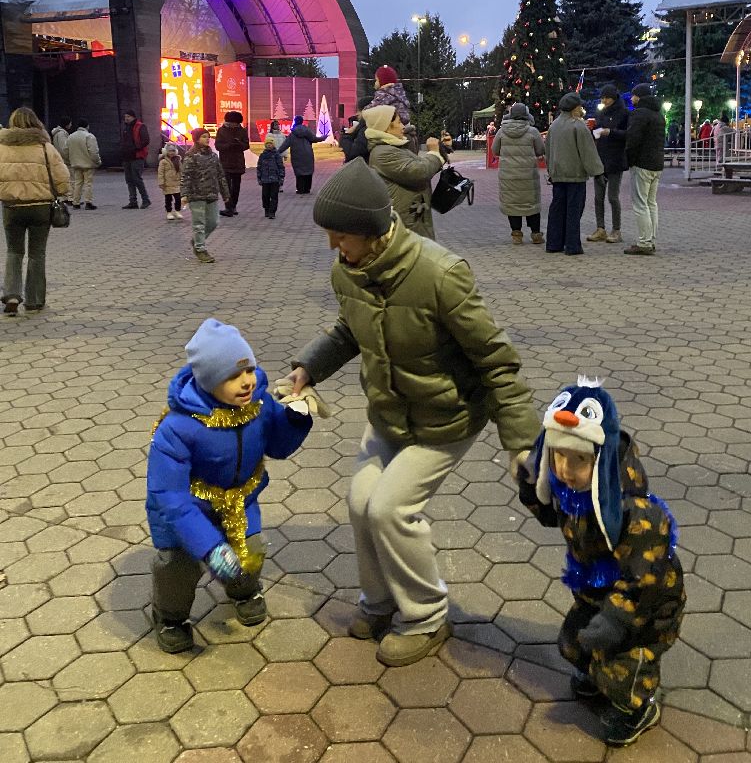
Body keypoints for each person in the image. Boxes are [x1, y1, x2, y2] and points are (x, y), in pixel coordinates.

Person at [286, 159, 541, 666]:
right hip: (389, 412)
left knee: (390, 509)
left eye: (340, 236)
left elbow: (495, 358)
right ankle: (379, 603)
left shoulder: (441, 273)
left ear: (374, 232)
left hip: (445, 418)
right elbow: (346, 332)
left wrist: (521, 440)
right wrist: (308, 368)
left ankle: (426, 617)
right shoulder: (349, 270)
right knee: (361, 503)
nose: (333, 247)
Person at [518, 378, 684, 748]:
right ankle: (597, 674)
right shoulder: (573, 490)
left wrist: (615, 618)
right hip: (595, 591)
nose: (564, 469)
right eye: (557, 455)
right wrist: (530, 487)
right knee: (573, 643)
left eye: (579, 459)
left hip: (644, 606)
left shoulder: (634, 510)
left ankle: (639, 707)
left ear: (601, 457)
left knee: (625, 664)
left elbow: (643, 578)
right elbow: (550, 514)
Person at [146, 318, 313, 652]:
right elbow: (168, 494)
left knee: (251, 549)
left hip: (239, 501)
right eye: (232, 376)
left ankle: (243, 590)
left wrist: (295, 419)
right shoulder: (178, 427)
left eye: (248, 370)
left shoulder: (259, 407)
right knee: (177, 567)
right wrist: (209, 547)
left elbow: (278, 447)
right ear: (209, 381)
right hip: (185, 510)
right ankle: (170, 617)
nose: (246, 382)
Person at [0, 106, 70, 315]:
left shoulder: (2, 146)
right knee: (37, 254)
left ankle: (12, 296)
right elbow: (62, 176)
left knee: (14, 251)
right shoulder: (44, 146)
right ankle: (35, 300)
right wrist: (62, 193)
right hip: (40, 207)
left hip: (12, 207)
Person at [363, 105, 443, 239]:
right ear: (386, 127)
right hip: (406, 220)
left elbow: (421, 166)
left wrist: (442, 150)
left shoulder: (393, 147)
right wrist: (434, 153)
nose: (403, 127)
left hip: (412, 216)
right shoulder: (383, 153)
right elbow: (420, 171)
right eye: (399, 122)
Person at [544, 93, 604, 256]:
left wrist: (551, 170)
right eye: (579, 107)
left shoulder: (554, 126)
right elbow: (588, 153)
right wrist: (597, 172)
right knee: (574, 210)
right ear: (574, 108)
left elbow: (547, 151)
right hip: (576, 176)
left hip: (558, 175)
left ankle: (554, 243)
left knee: (557, 209)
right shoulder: (578, 126)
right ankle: (572, 245)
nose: (581, 109)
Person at [492, 102, 545, 245]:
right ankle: (536, 234)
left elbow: (495, 150)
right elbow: (540, 150)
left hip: (508, 175)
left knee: (512, 204)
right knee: (531, 204)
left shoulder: (502, 131)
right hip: (528, 174)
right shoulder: (533, 131)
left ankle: (516, 235)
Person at [624, 85, 665, 256]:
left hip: (642, 164)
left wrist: (630, 160)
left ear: (638, 97)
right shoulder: (658, 115)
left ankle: (644, 242)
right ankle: (651, 239)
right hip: (657, 164)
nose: (632, 99)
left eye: (633, 96)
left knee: (640, 204)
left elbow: (632, 139)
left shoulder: (639, 114)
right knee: (651, 203)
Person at [180, 129, 231, 263]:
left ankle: (197, 241)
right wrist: (184, 194)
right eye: (203, 137)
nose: (207, 139)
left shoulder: (213, 156)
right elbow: (186, 176)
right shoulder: (191, 156)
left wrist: (225, 193)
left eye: (208, 137)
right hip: (196, 195)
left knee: (213, 222)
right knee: (199, 224)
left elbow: (220, 175)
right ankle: (200, 249)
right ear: (196, 139)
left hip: (211, 194)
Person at [587, 85, 628, 245]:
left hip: (616, 160)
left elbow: (627, 134)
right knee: (598, 197)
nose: (604, 101)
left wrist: (611, 132)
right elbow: (596, 130)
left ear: (614, 98)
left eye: (607, 98)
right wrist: (593, 131)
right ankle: (600, 229)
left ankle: (616, 230)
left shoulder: (624, 114)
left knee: (612, 197)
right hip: (601, 159)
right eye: (602, 98)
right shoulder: (600, 112)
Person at [371, 66, 418, 150]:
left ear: (382, 81)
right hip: (405, 134)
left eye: (376, 80)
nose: (375, 83)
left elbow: (369, 112)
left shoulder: (383, 96)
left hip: (393, 137)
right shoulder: (399, 94)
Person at [279, 115, 326, 194]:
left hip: (297, 155)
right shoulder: (307, 131)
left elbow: (285, 145)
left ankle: (300, 189)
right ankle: (307, 189)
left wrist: (276, 152)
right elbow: (314, 139)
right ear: (302, 121)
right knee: (308, 171)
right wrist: (323, 138)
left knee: (299, 172)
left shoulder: (293, 134)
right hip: (308, 154)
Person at [215, 111, 250, 217]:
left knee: (236, 186)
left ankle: (233, 206)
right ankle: (228, 207)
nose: (234, 125)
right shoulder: (221, 130)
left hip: (238, 162)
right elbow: (218, 146)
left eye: (236, 123)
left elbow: (246, 145)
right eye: (232, 123)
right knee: (226, 186)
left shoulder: (242, 130)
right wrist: (228, 145)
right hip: (225, 162)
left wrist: (239, 144)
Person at [66, 118, 102, 210]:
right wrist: (98, 162)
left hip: (76, 164)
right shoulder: (89, 136)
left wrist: (71, 160)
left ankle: (76, 202)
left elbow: (66, 150)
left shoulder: (71, 136)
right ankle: (88, 202)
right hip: (88, 164)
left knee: (78, 183)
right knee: (88, 183)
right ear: (87, 126)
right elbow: (94, 152)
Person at [121, 109, 151, 209]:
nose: (126, 119)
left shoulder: (140, 126)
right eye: (125, 117)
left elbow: (146, 140)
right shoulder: (126, 128)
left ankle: (145, 199)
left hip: (137, 156)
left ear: (133, 117)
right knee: (129, 180)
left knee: (137, 179)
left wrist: (136, 148)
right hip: (127, 157)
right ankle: (133, 201)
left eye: (128, 117)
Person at [256, 135, 285, 218]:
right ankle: (266, 209)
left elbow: (281, 167)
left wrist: (281, 178)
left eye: (271, 144)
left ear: (273, 145)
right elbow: (259, 167)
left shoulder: (276, 155)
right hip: (265, 180)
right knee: (265, 196)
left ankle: (272, 212)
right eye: (267, 144)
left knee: (274, 196)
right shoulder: (262, 155)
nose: (269, 145)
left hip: (275, 179)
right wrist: (259, 178)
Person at [158, 142, 183, 220]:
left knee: (178, 198)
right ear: (166, 151)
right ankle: (169, 212)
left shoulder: (178, 160)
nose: (171, 153)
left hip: (177, 183)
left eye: (173, 151)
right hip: (167, 184)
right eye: (169, 151)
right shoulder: (163, 162)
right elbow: (160, 173)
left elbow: (181, 171)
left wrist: (183, 179)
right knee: (168, 199)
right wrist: (161, 182)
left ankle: (177, 211)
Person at [268, 119, 288, 190]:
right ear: (272, 126)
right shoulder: (269, 135)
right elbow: (267, 145)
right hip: (272, 156)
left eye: (278, 125)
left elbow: (285, 145)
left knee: (280, 171)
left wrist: (285, 155)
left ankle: (280, 185)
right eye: (276, 125)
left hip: (280, 156)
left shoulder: (282, 135)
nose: (277, 126)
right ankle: (273, 185)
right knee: (273, 171)